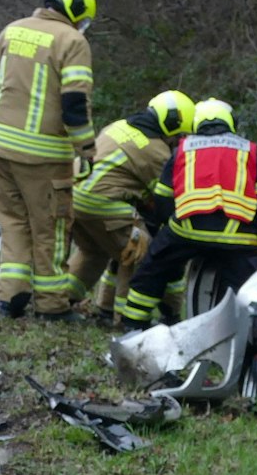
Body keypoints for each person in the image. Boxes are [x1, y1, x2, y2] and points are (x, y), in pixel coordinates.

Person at [0, 0, 96, 320]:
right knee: (51, 229)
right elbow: (74, 103)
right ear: (77, 12)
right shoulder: (73, 41)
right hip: (43, 156)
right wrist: (86, 150)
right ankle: (52, 306)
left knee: (14, 222)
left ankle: (11, 296)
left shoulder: (12, 30)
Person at [124, 98, 257, 328]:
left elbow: (163, 199)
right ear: (231, 122)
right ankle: (252, 333)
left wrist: (171, 224)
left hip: (187, 231)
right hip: (236, 237)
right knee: (250, 288)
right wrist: (250, 224)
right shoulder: (247, 150)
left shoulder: (183, 150)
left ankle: (134, 325)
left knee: (152, 270)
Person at [66, 90, 194, 323]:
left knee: (93, 252)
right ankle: (124, 317)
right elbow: (162, 198)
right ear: (172, 126)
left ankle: (61, 301)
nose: (178, 141)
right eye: (179, 135)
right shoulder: (156, 151)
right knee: (139, 251)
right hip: (102, 204)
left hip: (72, 195)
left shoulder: (120, 125)